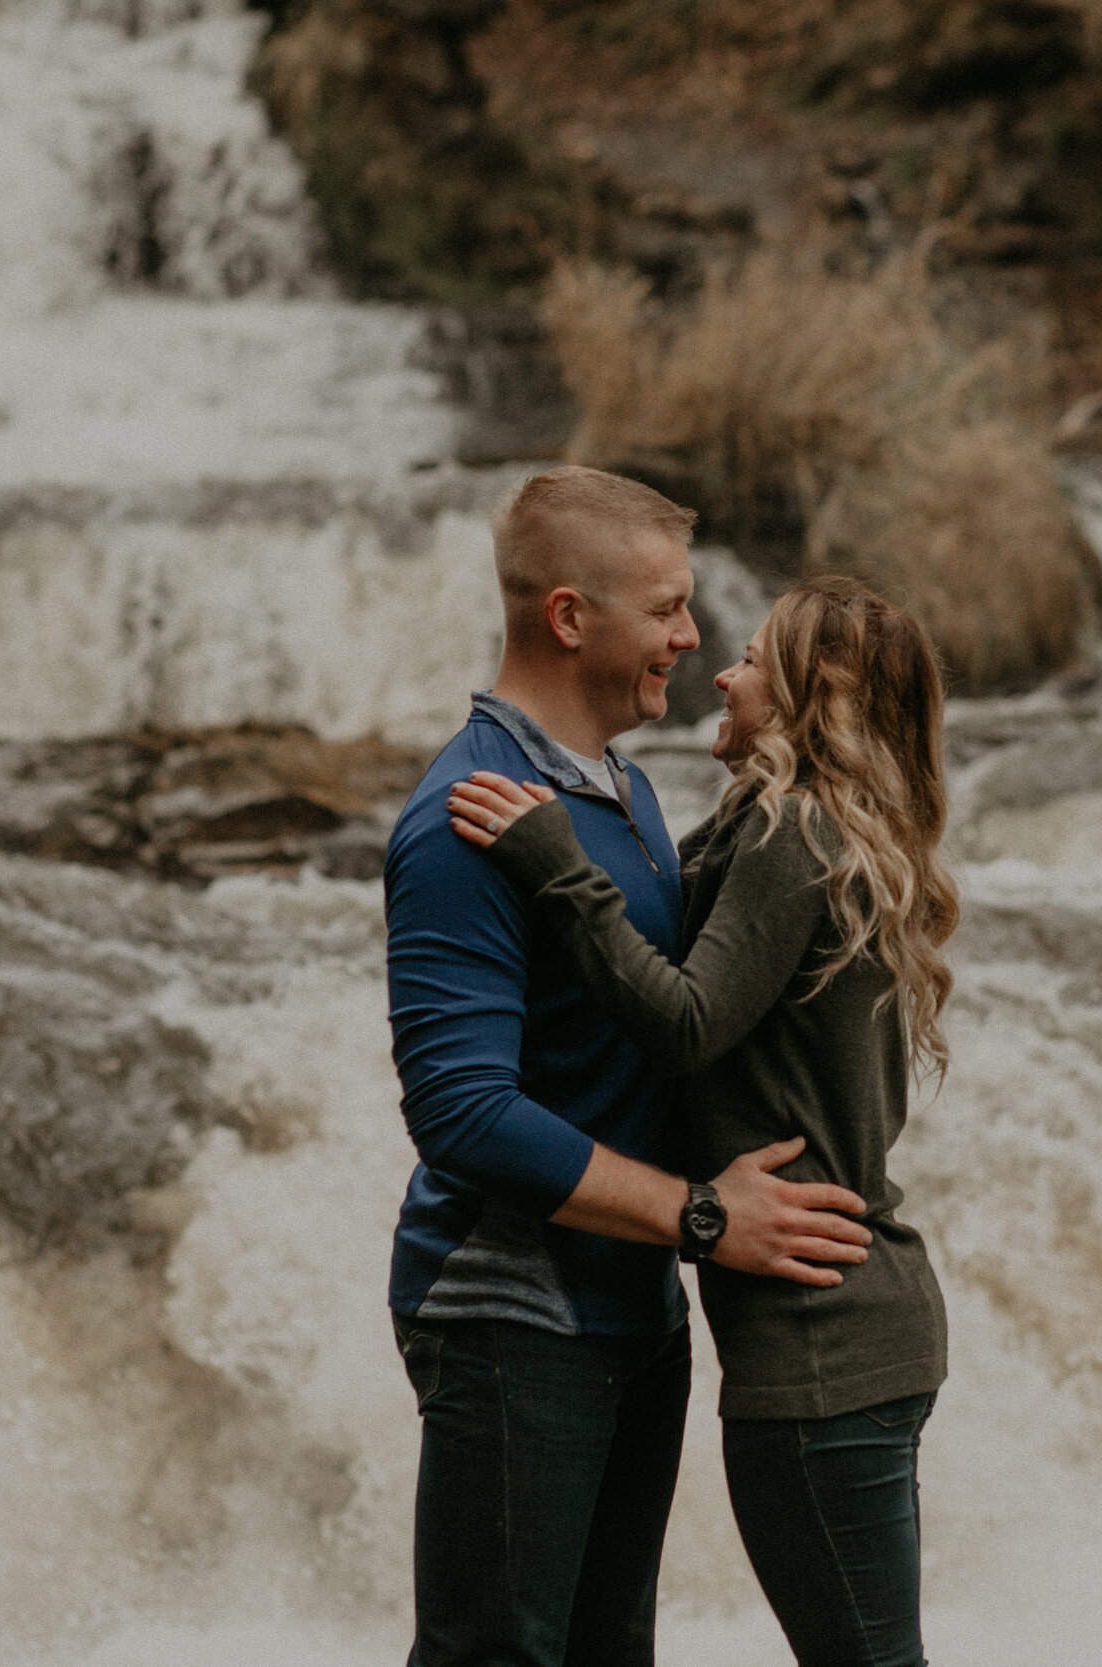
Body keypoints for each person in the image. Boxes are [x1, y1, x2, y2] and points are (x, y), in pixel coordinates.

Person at [382, 466, 877, 1667]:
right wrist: (704, 1214)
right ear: (568, 616)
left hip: (635, 1306)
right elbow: (462, 1113)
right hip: (510, 1313)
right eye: (664, 607)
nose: (688, 636)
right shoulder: (465, 819)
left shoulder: (629, 794)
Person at [446, 575, 960, 1667]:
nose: (717, 672)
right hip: (849, 1326)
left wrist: (557, 869)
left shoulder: (792, 835)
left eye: (749, 657)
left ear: (802, 696)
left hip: (824, 1345)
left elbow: (685, 1021)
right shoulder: (767, 829)